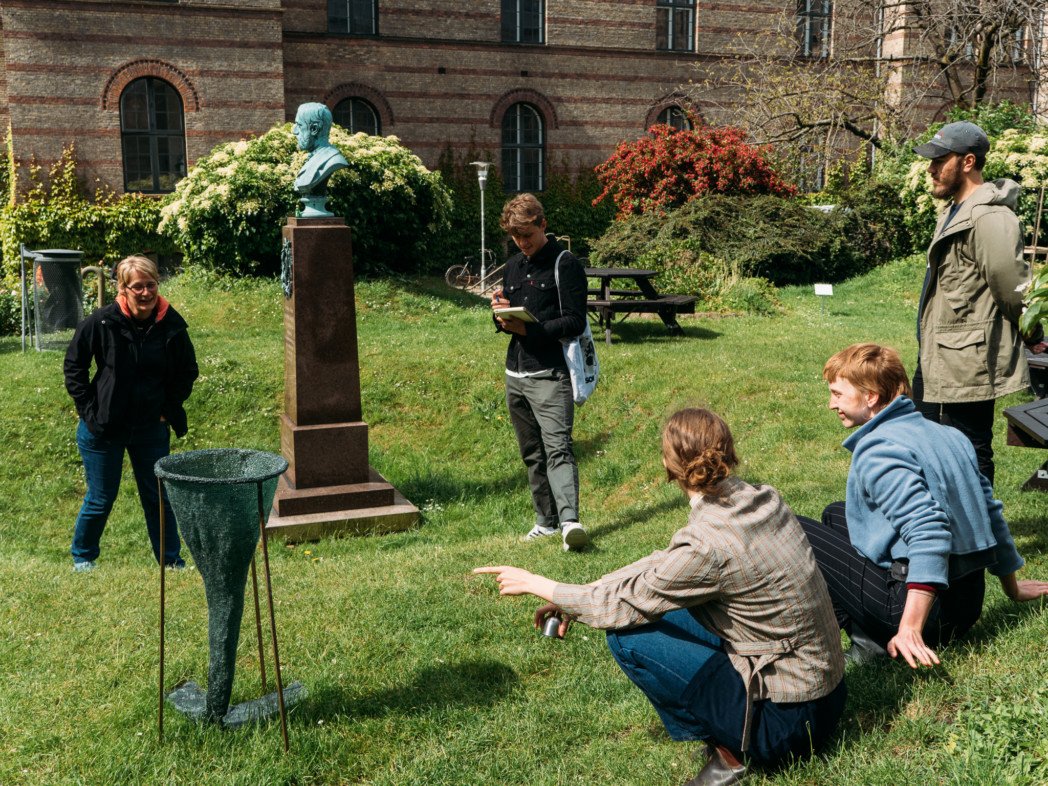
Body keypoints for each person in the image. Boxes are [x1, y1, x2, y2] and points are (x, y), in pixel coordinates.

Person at [475, 409, 846, 785]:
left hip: (787, 727)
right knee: (660, 612)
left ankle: (731, 749)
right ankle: (732, 730)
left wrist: (538, 583)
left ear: (670, 466)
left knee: (627, 634)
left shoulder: (706, 545)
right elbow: (664, 565)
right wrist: (580, 595)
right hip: (828, 697)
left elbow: (620, 607)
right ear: (727, 450)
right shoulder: (763, 499)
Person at [800, 343, 1048, 667]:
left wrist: (910, 629)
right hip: (966, 607)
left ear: (871, 396)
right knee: (837, 513)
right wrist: (1012, 587)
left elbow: (929, 532)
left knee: (795, 528)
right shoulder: (950, 435)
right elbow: (989, 512)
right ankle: (870, 637)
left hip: (923, 618)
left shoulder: (879, 447)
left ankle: (874, 645)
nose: (831, 404)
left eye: (838, 394)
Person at [911, 121, 1046, 486]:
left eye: (940, 159)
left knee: (969, 450)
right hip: (936, 351)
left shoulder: (990, 217)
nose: (931, 168)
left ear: (968, 161)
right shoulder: (954, 211)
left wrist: (1032, 333)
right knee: (928, 448)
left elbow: (1012, 287)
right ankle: (945, 531)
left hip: (967, 357)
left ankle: (982, 537)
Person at [63, 255, 199, 571]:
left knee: (158, 499)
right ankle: (83, 557)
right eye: (137, 286)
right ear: (122, 289)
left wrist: (168, 409)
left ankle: (171, 560)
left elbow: (187, 370)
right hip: (104, 427)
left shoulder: (172, 324)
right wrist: (88, 411)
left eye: (150, 285)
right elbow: (74, 367)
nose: (146, 293)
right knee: (100, 498)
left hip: (151, 427)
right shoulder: (101, 322)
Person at [491, 193, 589, 552]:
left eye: (527, 234)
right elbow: (507, 319)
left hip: (551, 374)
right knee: (532, 453)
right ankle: (544, 522)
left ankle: (570, 524)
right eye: (516, 237)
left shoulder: (566, 265)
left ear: (543, 224)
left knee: (558, 449)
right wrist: (499, 314)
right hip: (515, 373)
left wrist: (531, 331)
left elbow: (576, 322)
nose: (522, 243)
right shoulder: (514, 265)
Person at [292, 102, 349, 196]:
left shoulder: (333, 160)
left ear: (314, 129)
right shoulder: (315, 156)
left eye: (299, 125)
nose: (295, 131)